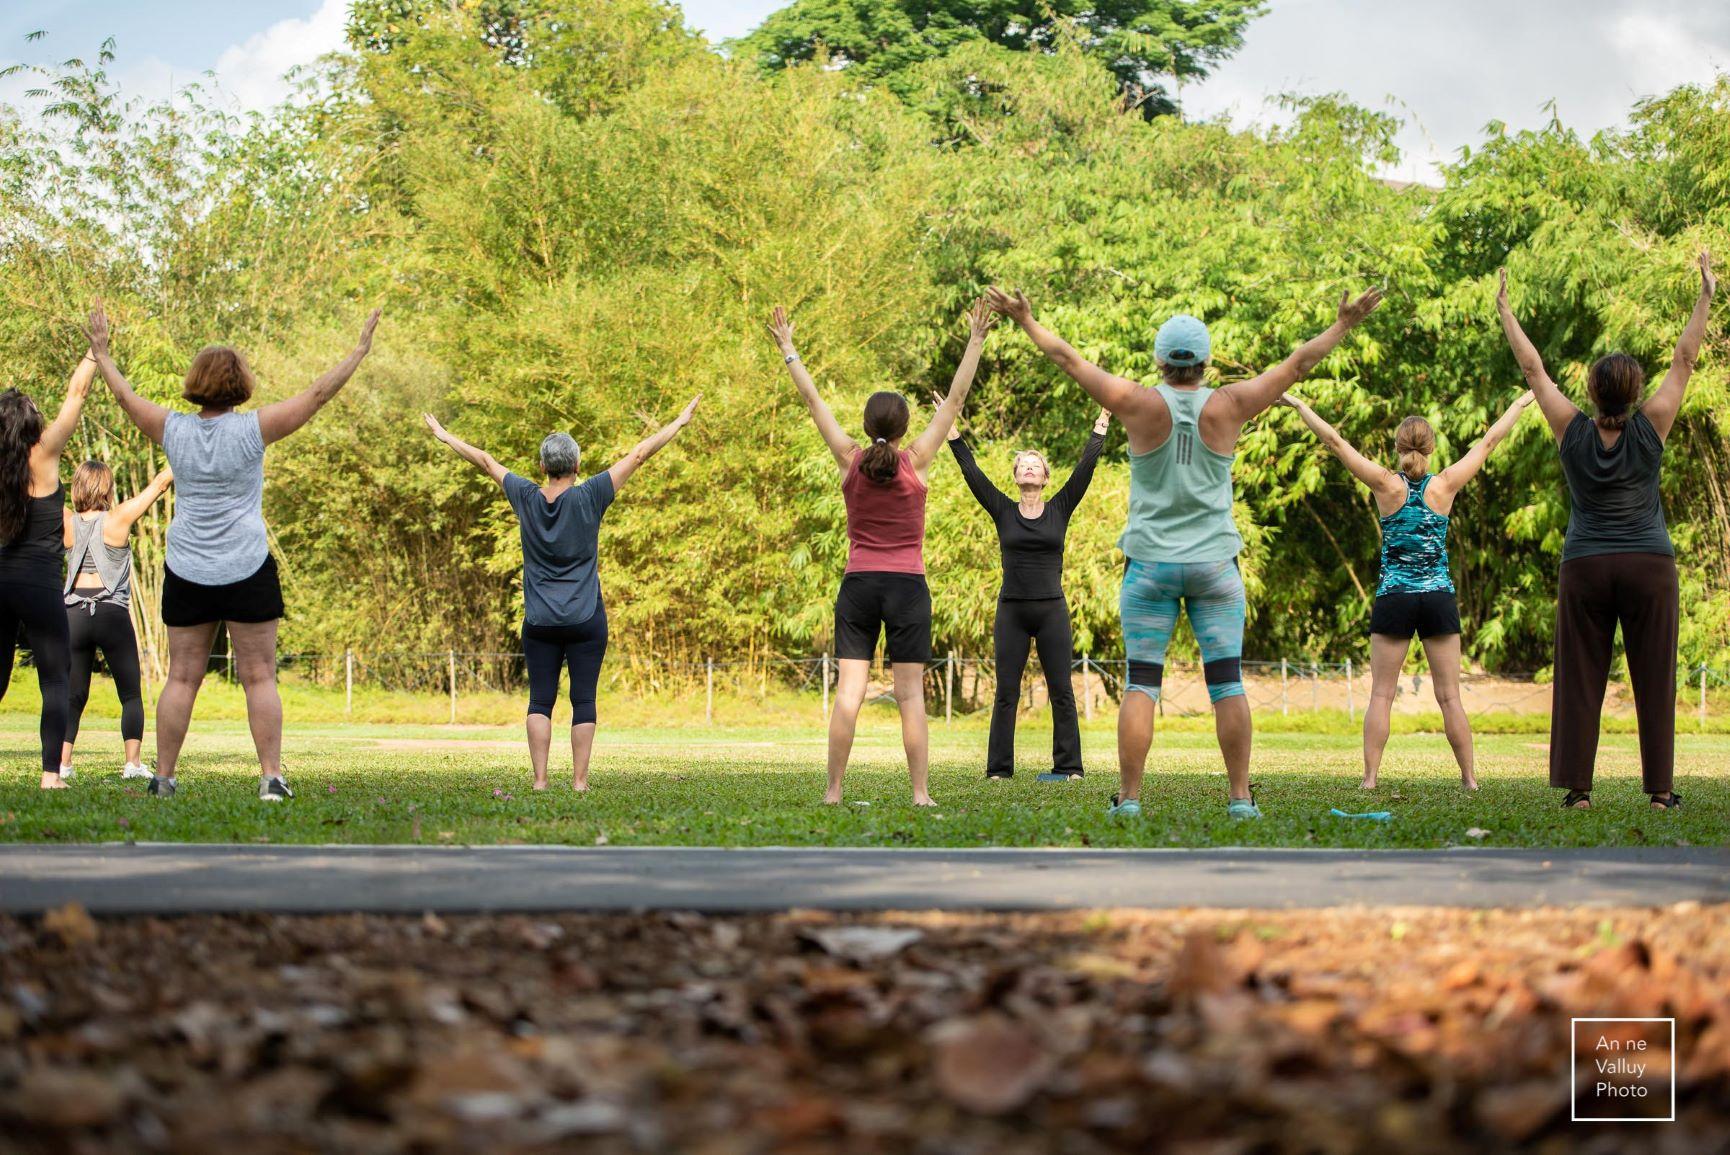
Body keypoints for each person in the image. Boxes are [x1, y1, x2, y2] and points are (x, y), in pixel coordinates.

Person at [987, 284, 1384, 819]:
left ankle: (1129, 800)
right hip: (1214, 566)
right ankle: (1240, 799)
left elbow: (1067, 359)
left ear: (1159, 360)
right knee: (1227, 681)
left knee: (1141, 682)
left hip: (1149, 567)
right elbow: (1296, 366)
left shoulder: (1137, 402)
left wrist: (1026, 319)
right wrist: (1343, 324)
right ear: (1207, 361)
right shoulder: (1230, 403)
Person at [86, 302, 381, 801]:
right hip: (246, 566)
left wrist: (103, 352)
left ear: (196, 381)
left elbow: (123, 395)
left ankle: (164, 780)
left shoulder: (172, 428)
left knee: (181, 677)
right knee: (260, 675)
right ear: (240, 383)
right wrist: (358, 351)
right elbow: (316, 395)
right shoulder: (254, 429)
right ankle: (270, 779)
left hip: (187, 567)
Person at [1498, 253, 1714, 811]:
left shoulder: (1570, 429)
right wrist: (1706, 293)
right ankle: (1661, 793)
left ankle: (1579, 791)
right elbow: (1686, 358)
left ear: (1593, 391)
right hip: (1648, 563)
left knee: (1579, 678)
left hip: (1586, 565)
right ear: (1636, 389)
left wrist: (1505, 310)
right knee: (1655, 678)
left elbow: (1533, 370)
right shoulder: (1654, 424)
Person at [768, 300, 993, 806]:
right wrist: (975, 338)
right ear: (903, 424)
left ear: (867, 423)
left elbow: (811, 400)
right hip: (908, 587)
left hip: (860, 586)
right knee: (911, 695)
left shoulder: (850, 459)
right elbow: (954, 402)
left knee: (849, 693)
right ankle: (919, 794)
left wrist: (789, 350)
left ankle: (833, 791)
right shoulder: (918, 460)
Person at [423, 396, 700, 791]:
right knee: (583, 700)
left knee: (540, 702)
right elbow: (639, 455)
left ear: (542, 467)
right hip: (586, 618)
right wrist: (678, 422)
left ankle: (539, 781)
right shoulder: (590, 496)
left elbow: (485, 461)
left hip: (539, 621)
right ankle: (580, 782)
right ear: (577, 466)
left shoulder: (525, 497)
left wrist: (446, 436)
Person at [1280, 390, 1534, 791]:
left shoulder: (1385, 485)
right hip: (1437, 597)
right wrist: (1520, 403)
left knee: (1381, 695)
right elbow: (1488, 442)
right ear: (1431, 448)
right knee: (1450, 697)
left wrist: (1300, 405)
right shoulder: (1446, 484)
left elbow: (1335, 442)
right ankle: (1469, 780)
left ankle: (1369, 779)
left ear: (1397, 447)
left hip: (1395, 597)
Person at [944, 399, 1109, 781]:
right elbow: (973, 474)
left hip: (1051, 609)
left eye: (1036, 464)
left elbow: (1085, 469)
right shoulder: (1002, 509)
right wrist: (952, 432)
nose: (1030, 466)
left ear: (1046, 478)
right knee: (1006, 693)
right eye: (1024, 464)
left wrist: (1101, 424)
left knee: (1062, 691)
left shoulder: (1061, 507)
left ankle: (1069, 766)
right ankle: (999, 769)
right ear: (1016, 476)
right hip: (1012, 612)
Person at [0, 351, 95, 789]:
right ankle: (50, 776)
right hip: (38, 582)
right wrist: (95, 353)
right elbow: (77, 393)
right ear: (30, 424)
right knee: (56, 678)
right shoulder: (45, 453)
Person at [59, 461, 174, 781]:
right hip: (111, 614)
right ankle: (132, 764)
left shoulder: (65, 519)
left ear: (77, 487)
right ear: (106, 488)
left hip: (72, 616)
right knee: (130, 693)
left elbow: (36, 487)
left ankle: (62, 764)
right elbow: (159, 484)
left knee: (73, 693)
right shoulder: (119, 517)